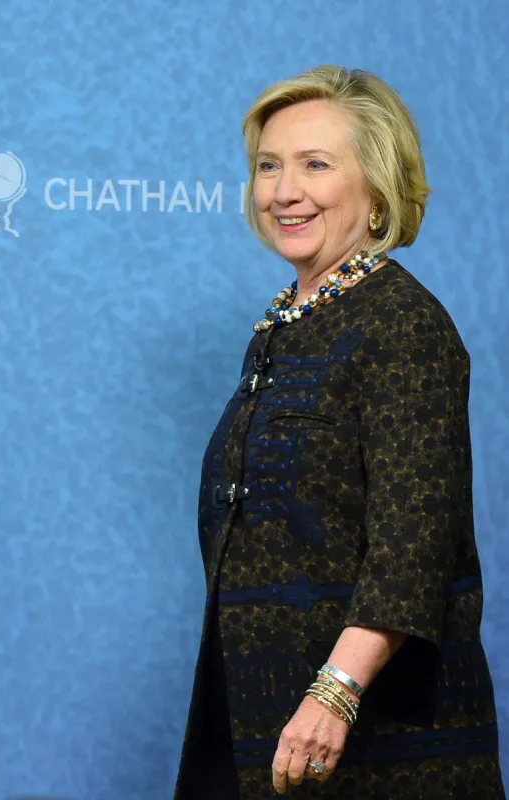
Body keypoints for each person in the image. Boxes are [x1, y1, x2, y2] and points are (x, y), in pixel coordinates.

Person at [173, 65, 505, 799]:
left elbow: (413, 545)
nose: (283, 191)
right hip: (258, 719)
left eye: (315, 165)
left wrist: (334, 694)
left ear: (377, 189)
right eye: (268, 166)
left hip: (369, 742)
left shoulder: (401, 324)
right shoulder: (286, 326)